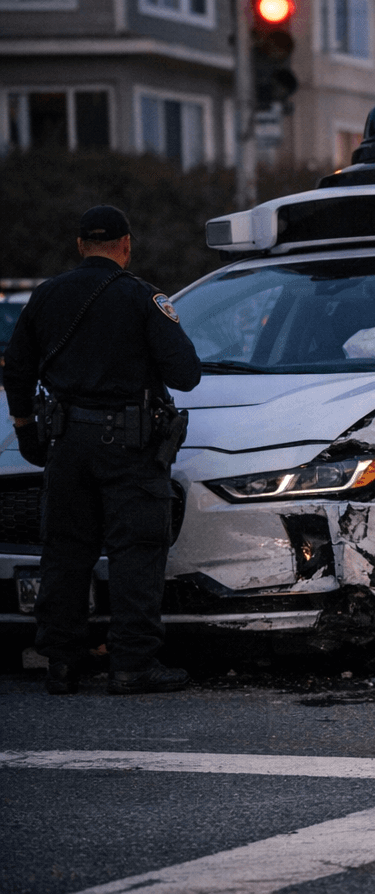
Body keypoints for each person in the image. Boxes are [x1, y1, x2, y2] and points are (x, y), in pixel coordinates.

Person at [4, 205, 201, 695]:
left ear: (78, 246)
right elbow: (187, 374)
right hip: (129, 447)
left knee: (65, 551)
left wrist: (27, 429)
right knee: (136, 550)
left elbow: (16, 370)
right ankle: (132, 664)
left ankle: (62, 663)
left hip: (65, 444)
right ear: (126, 244)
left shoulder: (45, 297)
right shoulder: (141, 297)